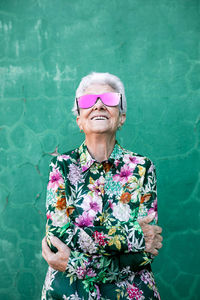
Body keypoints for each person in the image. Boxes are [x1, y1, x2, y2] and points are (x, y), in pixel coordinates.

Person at [41, 72, 163, 300]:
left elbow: (146, 253)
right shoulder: (61, 166)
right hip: (68, 292)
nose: (98, 105)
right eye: (88, 101)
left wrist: (74, 262)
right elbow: (58, 238)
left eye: (109, 99)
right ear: (79, 119)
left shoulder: (142, 167)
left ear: (122, 117)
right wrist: (132, 236)